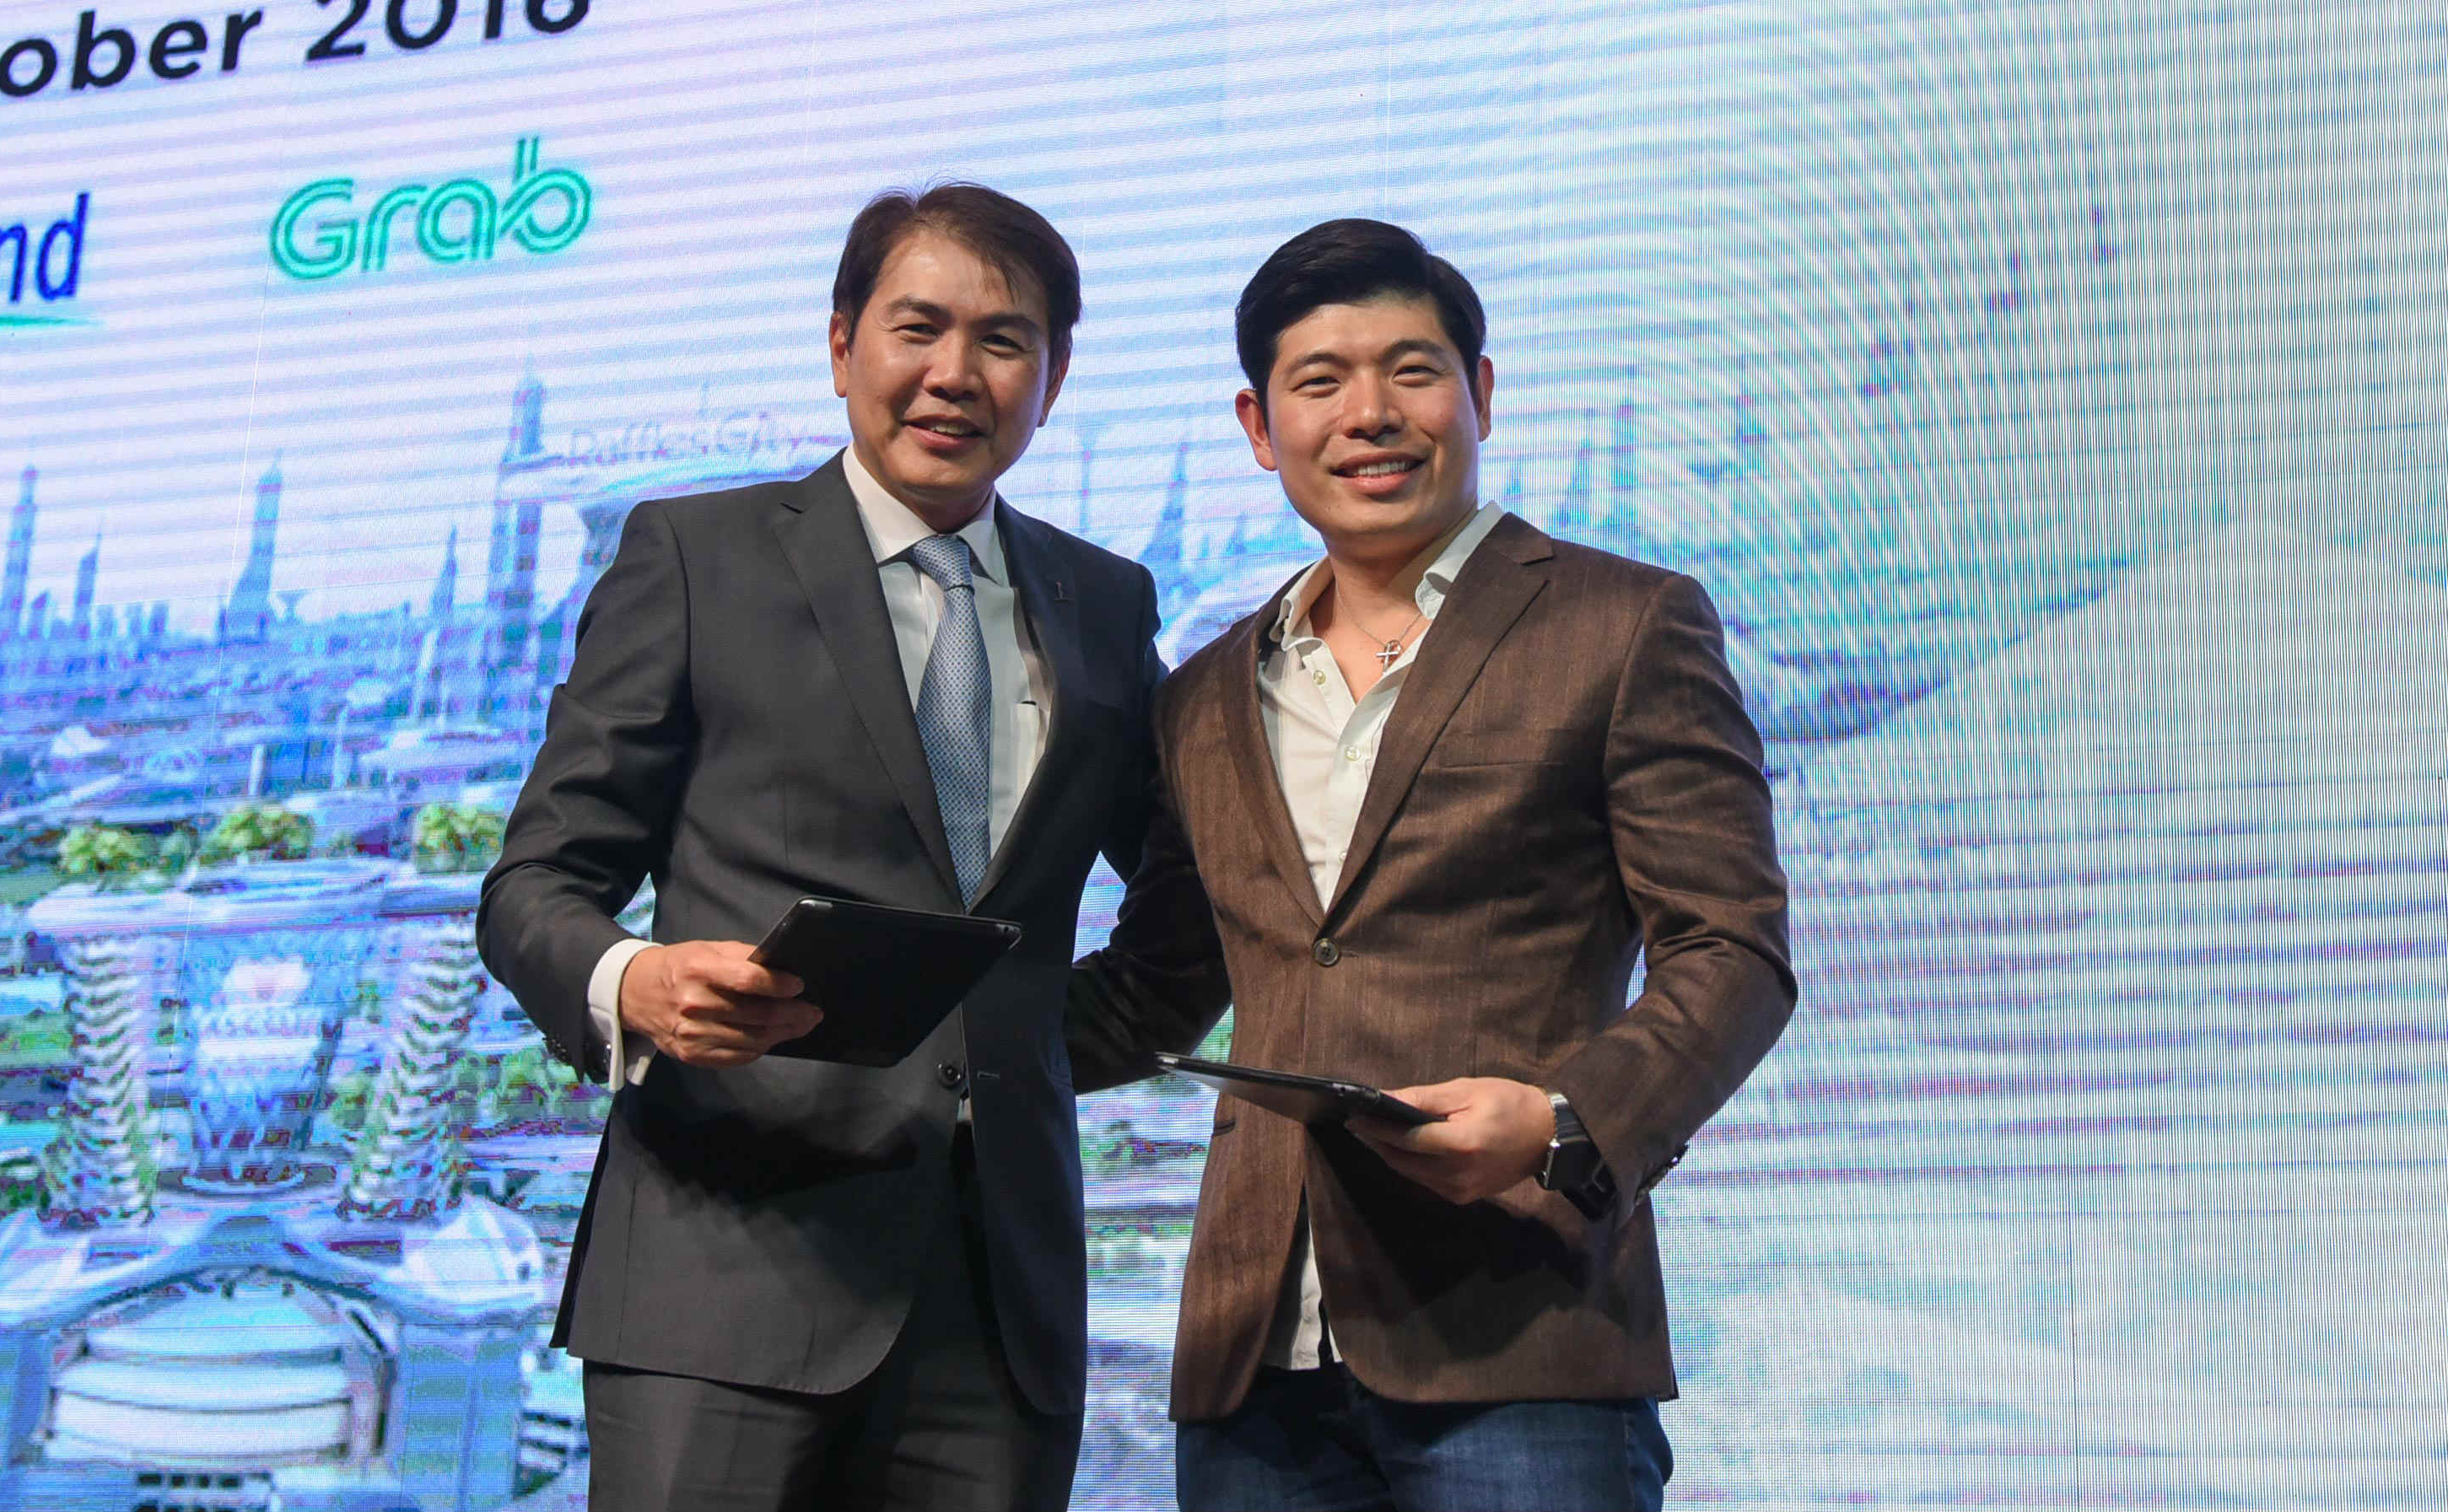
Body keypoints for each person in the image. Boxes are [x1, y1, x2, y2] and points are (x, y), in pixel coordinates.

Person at [1066, 218, 1794, 1511]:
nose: (1370, 413)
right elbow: (1158, 987)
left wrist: (1565, 1122)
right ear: (1258, 426)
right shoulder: (1202, 694)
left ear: (1481, 392)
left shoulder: (1624, 623)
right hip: (1251, 1363)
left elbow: (1731, 948)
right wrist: (911, 1032)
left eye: (1411, 369)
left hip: (1521, 1329)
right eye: (1320, 380)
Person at [478, 183, 1168, 1512]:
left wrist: (1024, 1051)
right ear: (842, 342)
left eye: (1004, 340)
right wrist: (636, 982)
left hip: (996, 1306)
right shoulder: (696, 555)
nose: (955, 373)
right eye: (918, 327)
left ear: (1054, 378)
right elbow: (537, 883)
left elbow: (1187, 899)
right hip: (718, 1271)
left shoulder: (1105, 601)